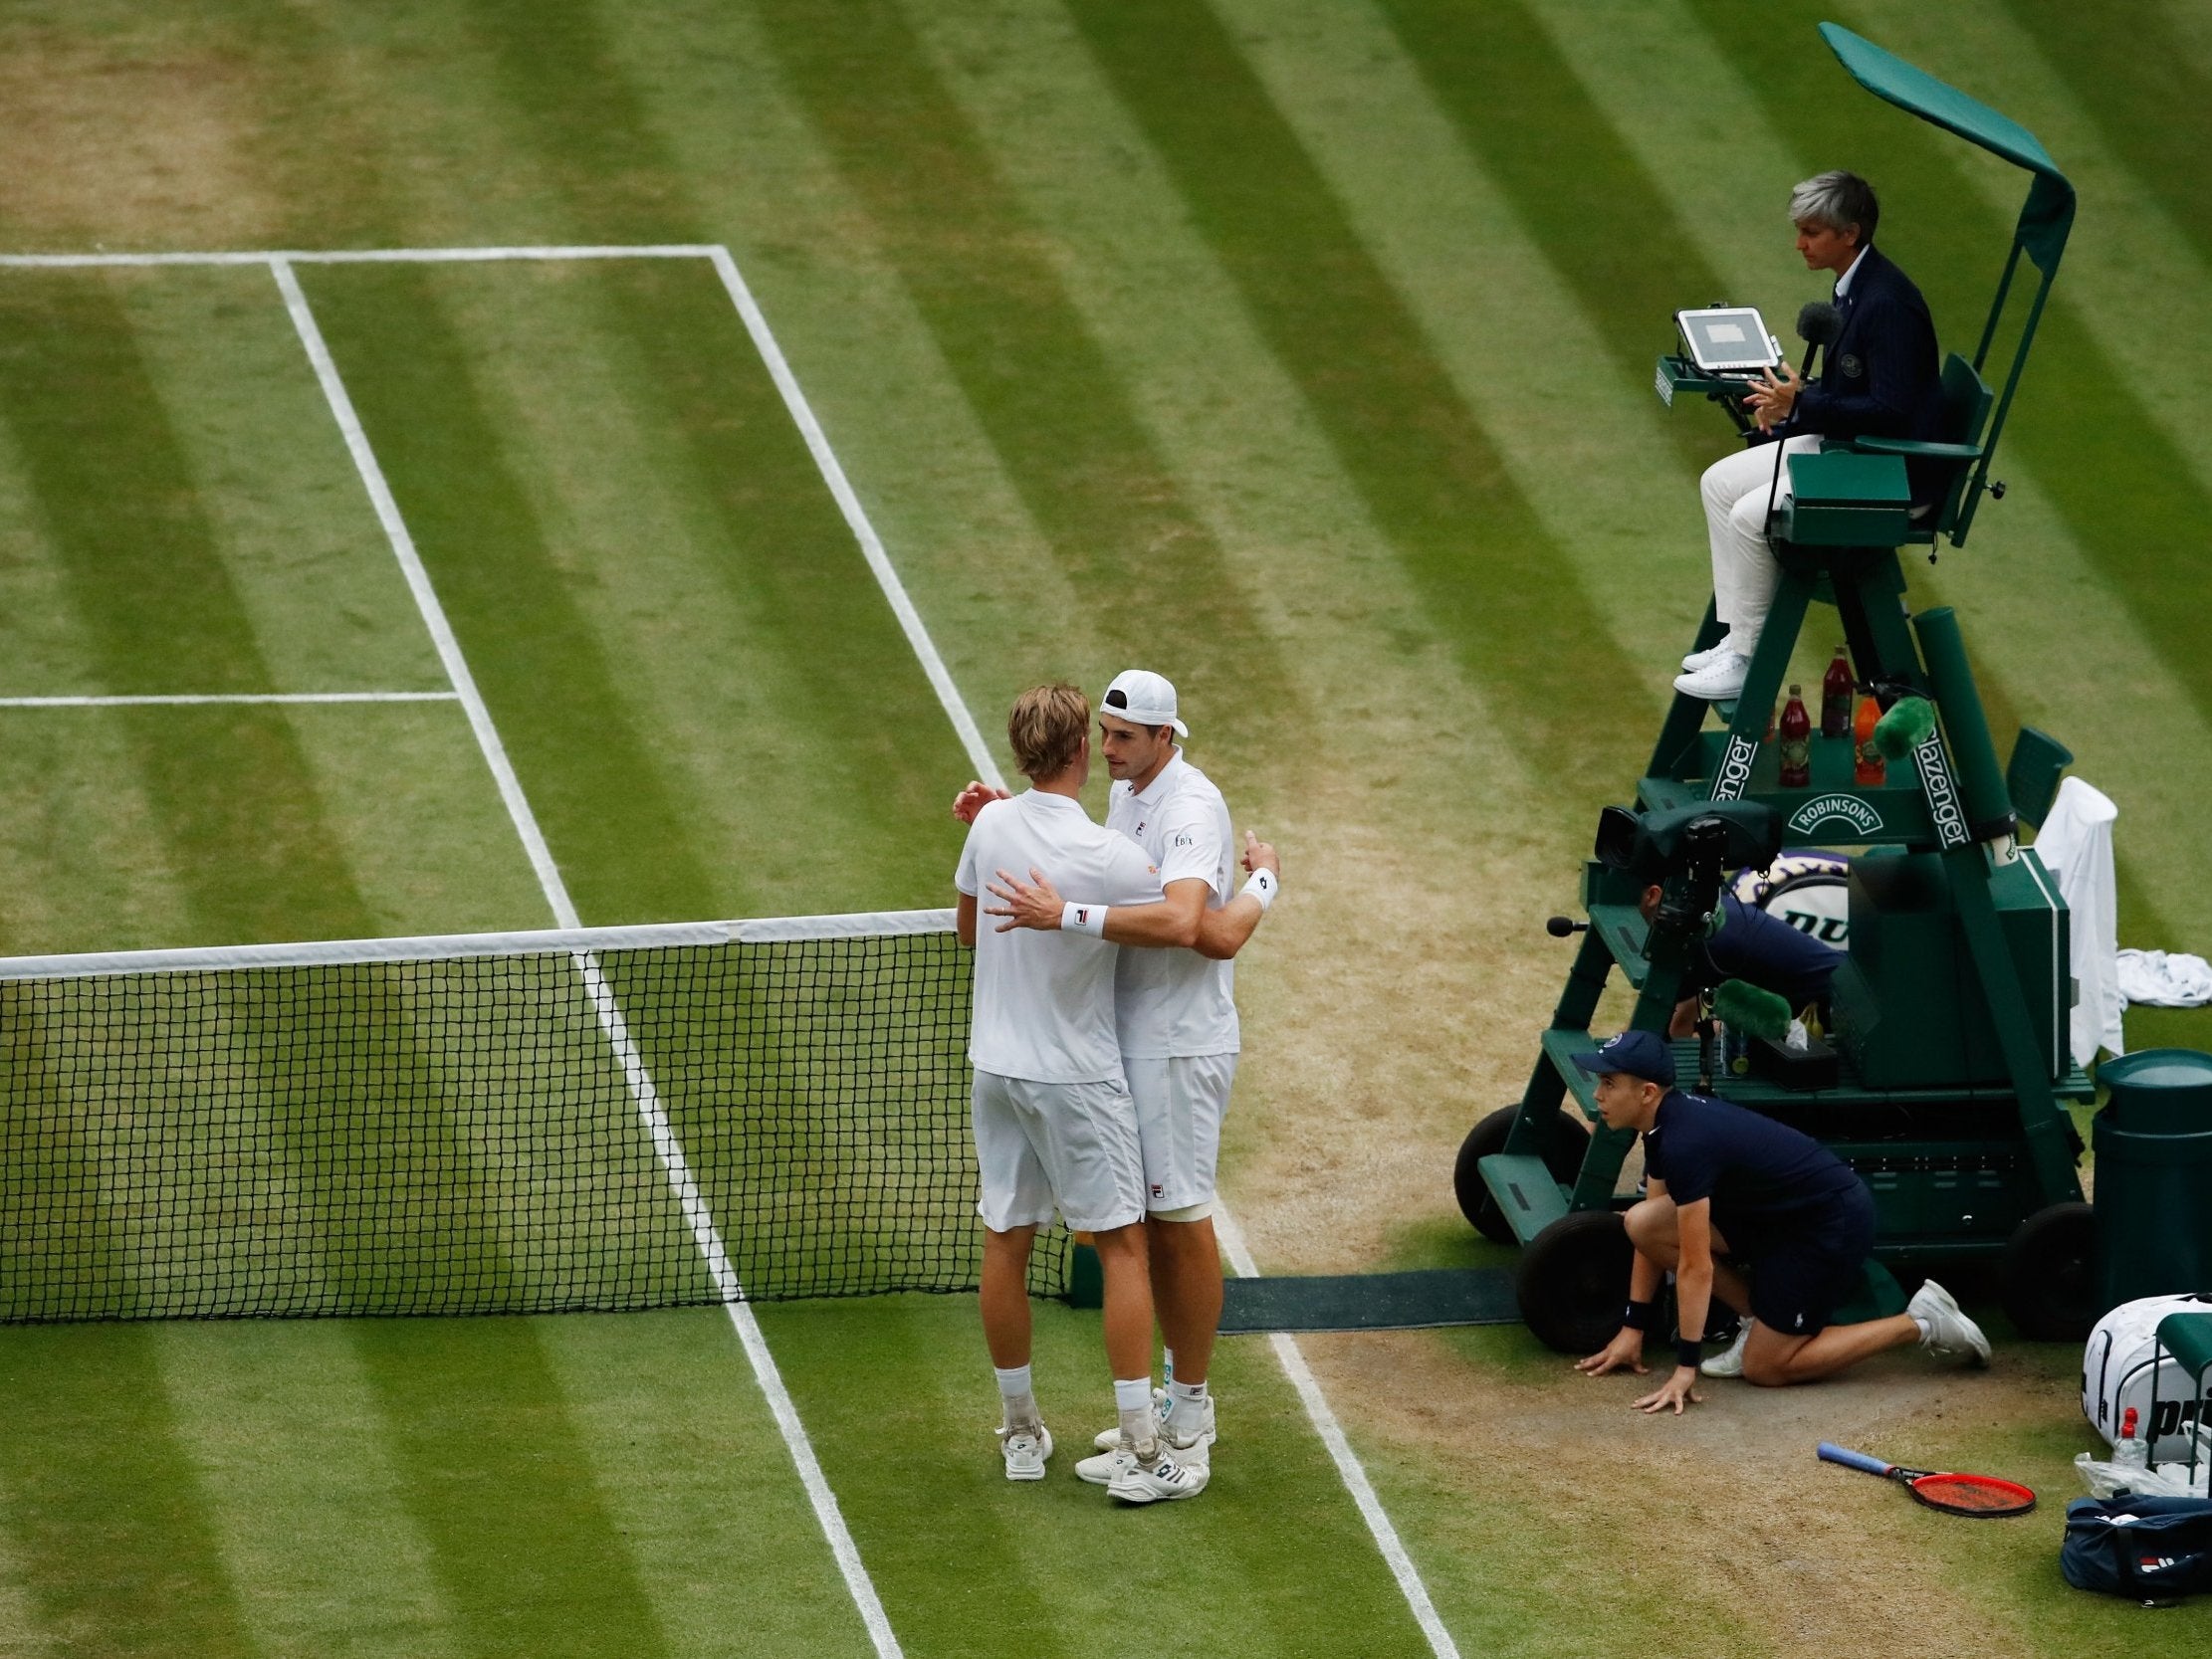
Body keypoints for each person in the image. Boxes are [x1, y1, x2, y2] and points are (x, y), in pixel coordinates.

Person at [956, 668, 1278, 1493]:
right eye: (1102, 734)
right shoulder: (1124, 801)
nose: (1110, 749)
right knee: (1141, 1232)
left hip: (1172, 1047)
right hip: (1109, 1047)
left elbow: (1194, 929)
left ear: (1168, 736)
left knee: (1174, 1221)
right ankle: (1163, 1412)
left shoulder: (1193, 808)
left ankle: (1187, 1423)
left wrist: (1263, 884)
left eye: (1126, 737)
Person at [1569, 1030, 1989, 1412]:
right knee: (1642, 1222)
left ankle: (1919, 1321)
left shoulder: (1684, 1144)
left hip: (1826, 1225)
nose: (1598, 1095)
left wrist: (1685, 1368)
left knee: (1766, 1369)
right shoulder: (1661, 1126)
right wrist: (1633, 1328)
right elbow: (1651, 1236)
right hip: (1772, 1218)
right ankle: (1757, 1322)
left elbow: (1695, 1266)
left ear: (1646, 1093)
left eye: (1609, 1084)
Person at [1676, 170, 1944, 703]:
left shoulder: (1886, 302)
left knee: (1751, 515)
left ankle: (1747, 658)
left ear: (1851, 233)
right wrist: (1791, 406)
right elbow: (1855, 392)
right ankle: (1735, 637)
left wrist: (1802, 402)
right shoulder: (1854, 285)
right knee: (1719, 482)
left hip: (1889, 470)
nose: (1800, 243)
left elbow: (1888, 410)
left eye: (1813, 232)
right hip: (1856, 449)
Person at [1640, 884, 1841, 1038]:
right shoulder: (1705, 908)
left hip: (1833, 1008)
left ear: (1652, 895)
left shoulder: (1696, 940)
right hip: (1832, 984)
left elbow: (1678, 1027)